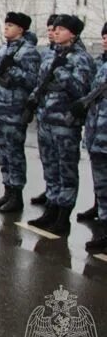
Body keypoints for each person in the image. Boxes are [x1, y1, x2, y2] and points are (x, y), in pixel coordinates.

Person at [26, 14, 94, 233]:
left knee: (66, 170)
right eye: (54, 29)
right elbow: (41, 82)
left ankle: (63, 216)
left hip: (66, 122)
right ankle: (52, 208)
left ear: (72, 34)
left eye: (60, 29)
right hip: (46, 120)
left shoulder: (80, 58)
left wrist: (62, 72)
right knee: (50, 167)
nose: (54, 32)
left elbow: (82, 91)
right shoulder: (49, 55)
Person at [0, 12, 41, 212]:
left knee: (14, 153)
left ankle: (17, 194)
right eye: (5, 24)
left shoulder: (28, 52)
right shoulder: (2, 50)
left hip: (15, 110)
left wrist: (13, 70)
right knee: (2, 152)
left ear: (21, 29)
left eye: (10, 25)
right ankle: (7, 190)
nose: (6, 28)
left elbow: (33, 80)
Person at [74, 22, 107, 252]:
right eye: (104, 36)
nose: (105, 39)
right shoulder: (101, 64)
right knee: (102, 187)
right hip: (98, 134)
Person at [30, 15, 59, 206]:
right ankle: (50, 191)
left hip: (60, 115)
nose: (50, 33)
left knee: (61, 161)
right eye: (48, 30)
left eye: (53, 30)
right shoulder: (46, 53)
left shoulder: (73, 55)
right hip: (44, 112)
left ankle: (58, 200)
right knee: (47, 158)